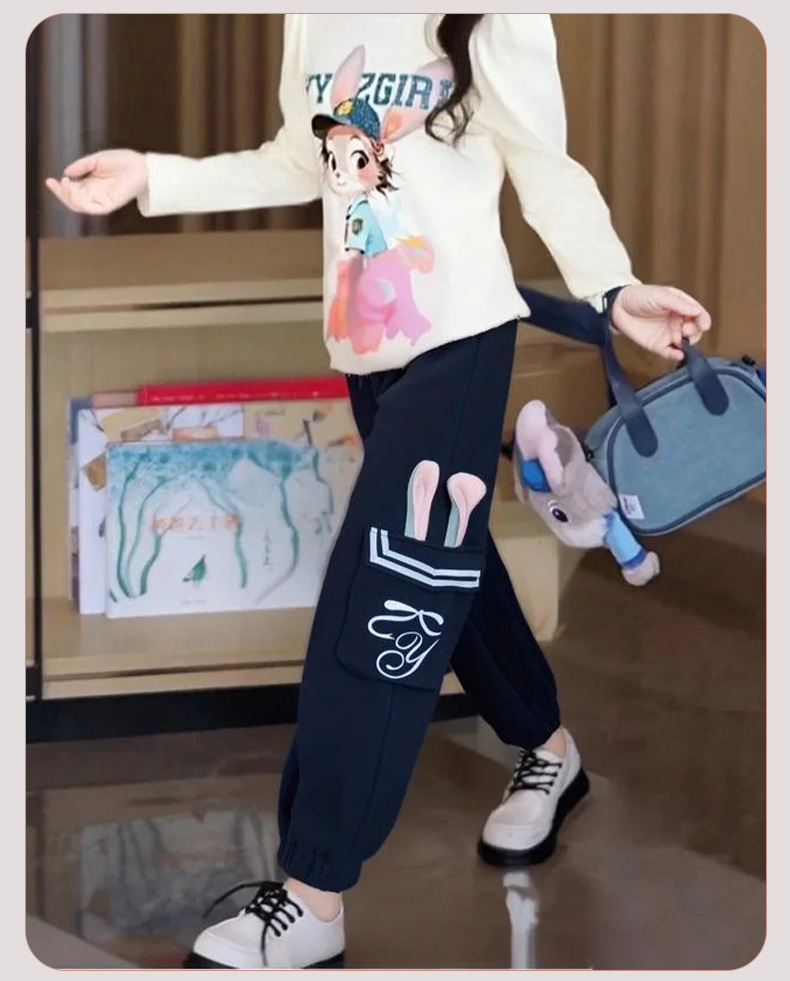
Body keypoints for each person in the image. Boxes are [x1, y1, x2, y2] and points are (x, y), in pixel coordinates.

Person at [47, 13, 712, 970]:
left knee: (384, 595)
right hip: (368, 348)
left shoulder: (496, 19)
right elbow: (299, 158)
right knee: (448, 567)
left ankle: (314, 894)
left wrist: (613, 288)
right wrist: (155, 175)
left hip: (460, 342)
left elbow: (546, 165)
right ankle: (549, 744)